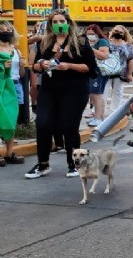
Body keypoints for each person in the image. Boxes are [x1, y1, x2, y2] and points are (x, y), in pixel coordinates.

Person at [25, 9, 96, 179]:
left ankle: (74, 165)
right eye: (54, 22)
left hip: (74, 90)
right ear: (50, 25)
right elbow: (34, 66)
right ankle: (42, 164)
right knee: (43, 123)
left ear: (68, 23)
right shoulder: (45, 43)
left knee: (68, 126)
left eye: (61, 21)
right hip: (50, 90)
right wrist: (42, 64)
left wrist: (69, 66)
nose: (58, 25)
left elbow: (91, 68)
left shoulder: (80, 42)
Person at [0, 20, 26, 166]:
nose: (6, 31)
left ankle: (10, 152)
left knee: (11, 118)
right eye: (2, 29)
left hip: (13, 86)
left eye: (8, 28)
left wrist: (22, 65)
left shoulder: (16, 50)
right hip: (0, 86)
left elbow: (21, 74)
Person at [105, 25, 133, 114]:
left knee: (118, 92)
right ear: (112, 31)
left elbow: (130, 60)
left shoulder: (127, 46)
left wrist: (130, 74)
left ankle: (115, 112)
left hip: (121, 73)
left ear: (124, 34)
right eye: (116, 31)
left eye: (121, 32)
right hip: (106, 72)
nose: (118, 33)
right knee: (103, 91)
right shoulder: (106, 42)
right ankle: (98, 111)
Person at [85, 23, 110, 128]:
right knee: (94, 95)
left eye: (92, 33)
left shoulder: (102, 41)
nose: (90, 35)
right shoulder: (90, 42)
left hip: (99, 71)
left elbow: (104, 55)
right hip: (93, 71)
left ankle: (99, 118)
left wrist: (90, 49)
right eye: (88, 33)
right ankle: (98, 116)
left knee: (96, 95)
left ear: (97, 33)